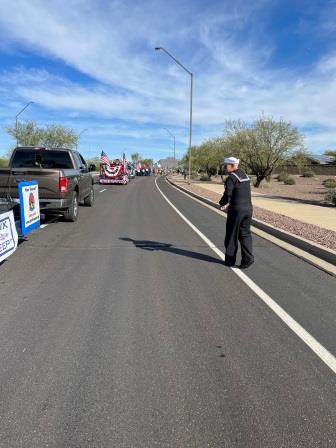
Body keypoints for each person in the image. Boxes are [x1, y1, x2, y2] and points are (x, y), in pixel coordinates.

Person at [219, 157, 254, 269]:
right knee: (245, 234)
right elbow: (239, 193)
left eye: (226, 166)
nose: (224, 168)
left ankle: (230, 260)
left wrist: (222, 202)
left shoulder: (232, 177)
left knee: (231, 235)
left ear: (233, 165)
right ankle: (248, 259)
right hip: (248, 209)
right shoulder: (245, 176)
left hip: (236, 210)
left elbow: (228, 193)